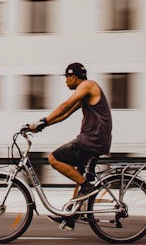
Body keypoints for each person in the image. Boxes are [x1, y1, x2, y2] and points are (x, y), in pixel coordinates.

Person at [29, 62, 112, 231]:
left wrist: (42, 120)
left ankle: (87, 187)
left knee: (54, 158)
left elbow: (64, 106)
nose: (65, 82)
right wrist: (43, 126)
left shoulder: (88, 86)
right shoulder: (85, 92)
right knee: (79, 175)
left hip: (91, 139)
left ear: (73, 77)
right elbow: (65, 114)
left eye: (66, 78)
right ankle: (72, 217)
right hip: (95, 139)